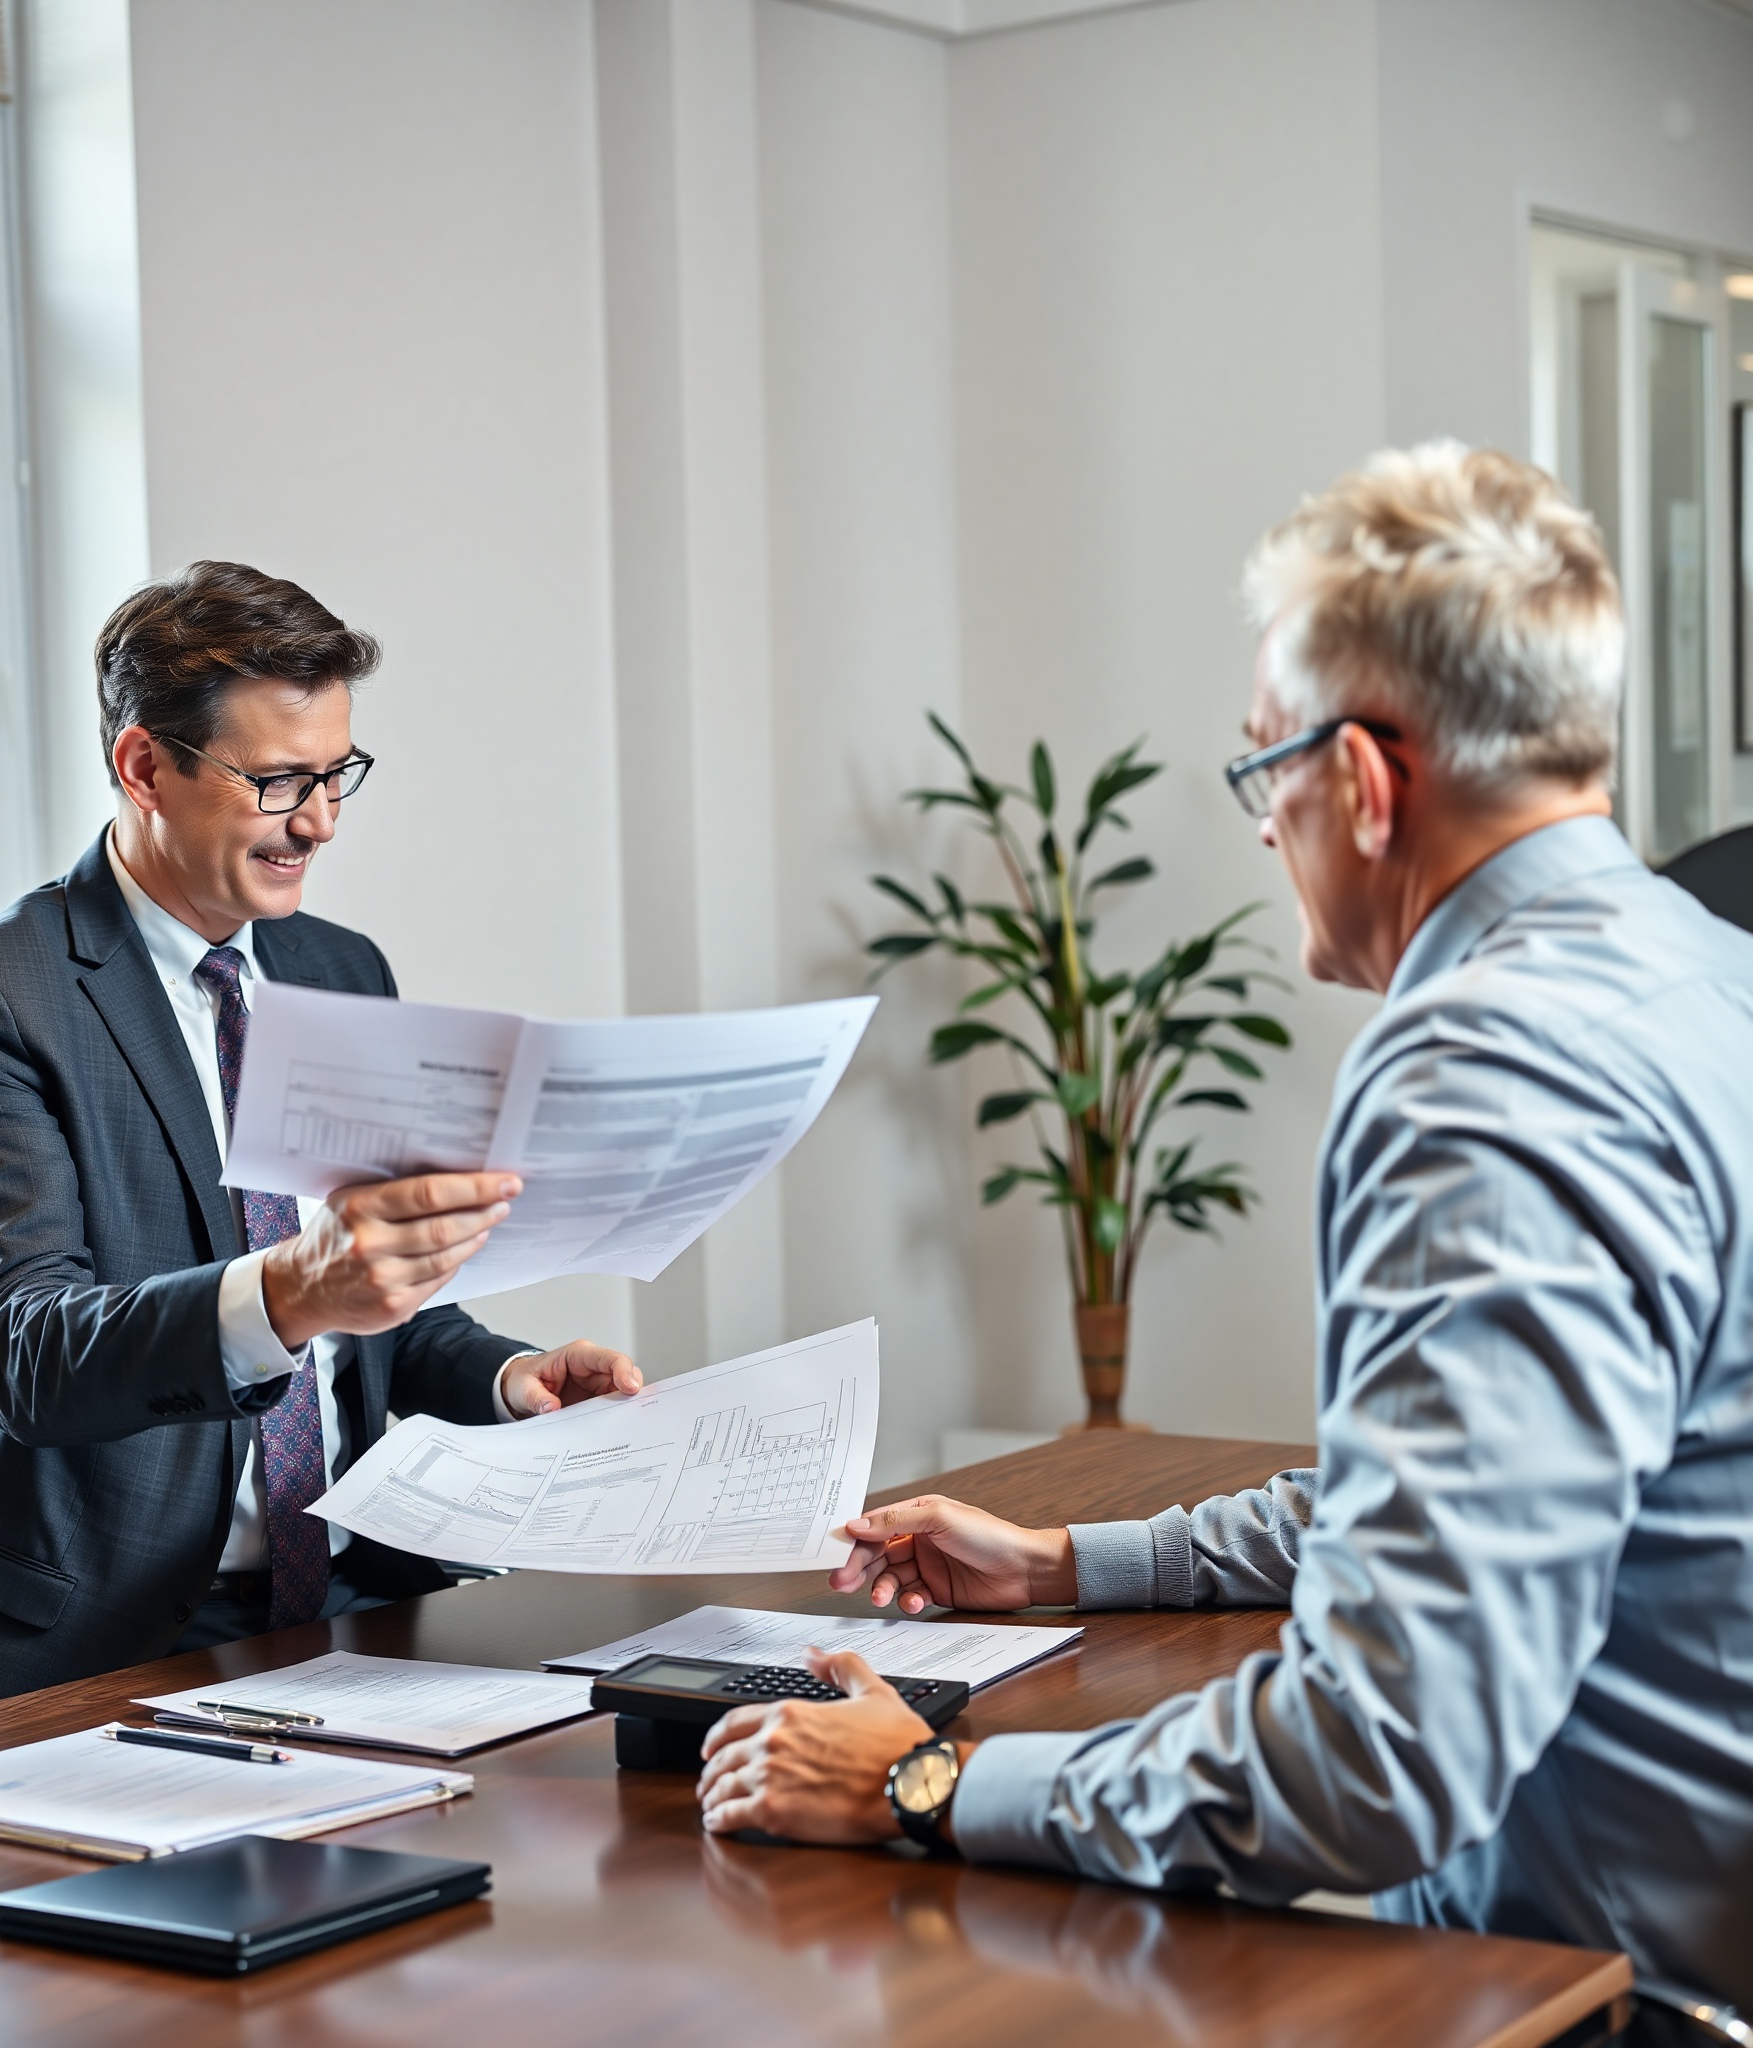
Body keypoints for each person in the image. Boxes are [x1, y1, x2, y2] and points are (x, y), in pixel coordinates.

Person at [694, 445, 1753, 2033]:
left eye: (1266, 771)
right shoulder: (1702, 967)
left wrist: (924, 1779)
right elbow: (1482, 1483)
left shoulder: (1483, 1071)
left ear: (1370, 781)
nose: (1265, 831)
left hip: (1604, 2000)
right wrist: (1071, 1563)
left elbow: (1380, 1755)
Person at [0, 561, 639, 1709]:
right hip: (105, 1636)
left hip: (357, 1603)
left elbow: (381, 1308)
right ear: (145, 766)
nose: (322, 821)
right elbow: (24, 1353)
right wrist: (289, 1289)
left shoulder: (340, 969)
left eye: (337, 773)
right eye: (281, 780)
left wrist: (503, 1374)